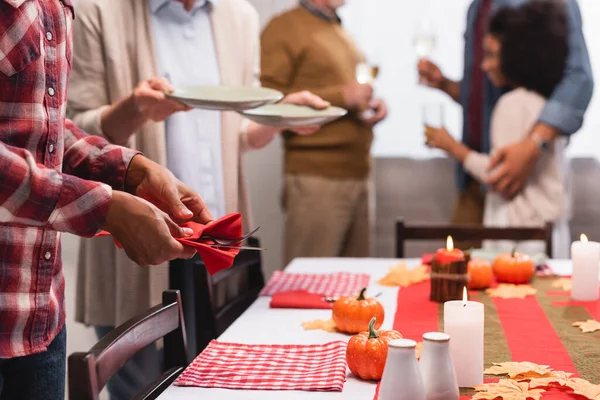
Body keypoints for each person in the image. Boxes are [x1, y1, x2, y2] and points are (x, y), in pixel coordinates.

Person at [68, 0, 328, 398]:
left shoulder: (239, 17)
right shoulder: (99, 10)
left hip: (213, 241)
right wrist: (136, 108)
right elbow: (69, 130)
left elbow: (237, 131)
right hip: (137, 242)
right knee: (140, 389)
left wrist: (282, 116)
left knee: (217, 385)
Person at [0, 1, 214, 399]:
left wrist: (132, 168)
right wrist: (104, 207)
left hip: (40, 317)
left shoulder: (56, 7)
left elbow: (45, 127)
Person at [418, 0, 593, 249]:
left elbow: (579, 79)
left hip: (514, 213)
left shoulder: (514, 106)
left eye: (491, 55)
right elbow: (480, 97)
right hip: (474, 187)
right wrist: (446, 84)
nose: (484, 63)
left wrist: (533, 143)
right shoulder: (477, 8)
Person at [261, 0, 388, 264]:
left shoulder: (338, 29)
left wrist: (366, 108)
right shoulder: (283, 28)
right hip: (316, 179)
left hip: (358, 174)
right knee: (308, 286)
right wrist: (342, 96)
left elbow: (347, 97)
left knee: (355, 286)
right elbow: (266, 101)